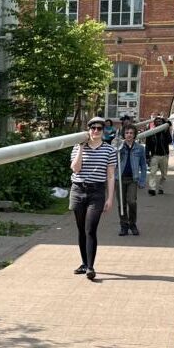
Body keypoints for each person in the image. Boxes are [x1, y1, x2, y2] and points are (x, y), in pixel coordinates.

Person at [69, 117, 116, 280]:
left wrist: (110, 198)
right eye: (93, 128)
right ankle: (84, 263)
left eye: (99, 128)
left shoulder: (109, 150)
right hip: (78, 190)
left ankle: (90, 267)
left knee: (90, 229)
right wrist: (81, 148)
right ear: (88, 130)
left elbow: (111, 176)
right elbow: (75, 168)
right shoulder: (77, 147)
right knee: (81, 229)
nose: (96, 131)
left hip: (96, 192)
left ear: (103, 131)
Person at [115, 123, 147, 236]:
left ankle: (132, 224)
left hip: (133, 179)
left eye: (131, 133)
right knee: (121, 204)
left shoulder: (140, 148)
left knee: (132, 202)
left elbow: (143, 165)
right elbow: (112, 162)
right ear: (124, 134)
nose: (129, 135)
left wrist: (142, 180)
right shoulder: (118, 146)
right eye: (127, 133)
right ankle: (124, 226)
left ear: (134, 135)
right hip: (120, 179)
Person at [145, 114, 170, 195]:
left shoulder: (165, 132)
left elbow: (170, 141)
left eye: (160, 121)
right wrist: (147, 156)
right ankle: (152, 188)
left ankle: (161, 187)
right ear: (154, 123)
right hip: (155, 155)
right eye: (157, 121)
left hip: (164, 155)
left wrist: (166, 131)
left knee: (164, 174)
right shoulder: (151, 132)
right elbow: (147, 145)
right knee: (152, 172)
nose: (159, 123)